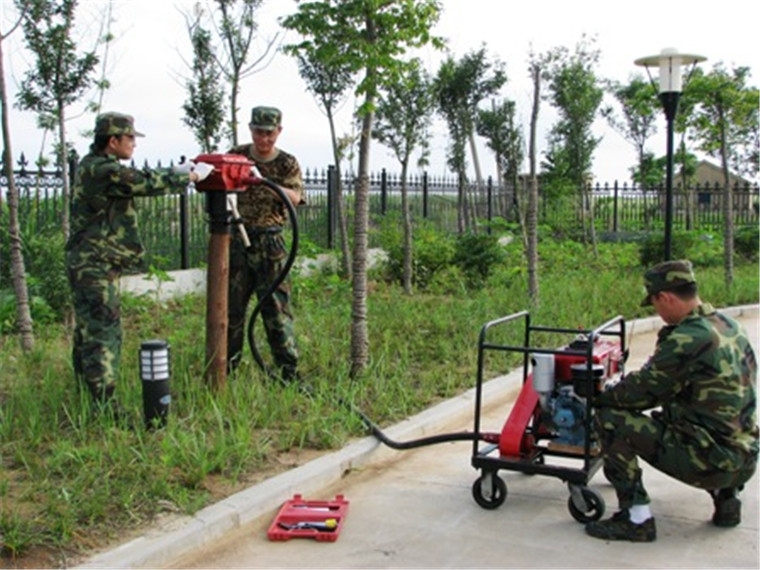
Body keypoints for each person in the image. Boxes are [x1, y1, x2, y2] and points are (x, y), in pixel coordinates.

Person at [586, 259, 758, 542]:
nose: (657, 311)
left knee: (609, 418)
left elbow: (640, 394)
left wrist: (599, 396)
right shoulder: (729, 326)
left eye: (655, 303)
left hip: (709, 463)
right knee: (706, 419)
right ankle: (728, 500)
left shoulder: (687, 338)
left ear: (665, 297)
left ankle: (636, 519)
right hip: (745, 459)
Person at [66, 112, 213, 417]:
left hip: (90, 262)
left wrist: (177, 170)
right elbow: (142, 182)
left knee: (89, 331)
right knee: (103, 333)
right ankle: (104, 409)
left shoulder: (95, 167)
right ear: (113, 140)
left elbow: (135, 181)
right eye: (130, 138)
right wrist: (191, 175)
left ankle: (87, 400)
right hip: (94, 264)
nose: (134, 144)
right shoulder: (102, 169)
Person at [226, 106, 305, 384]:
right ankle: (227, 370)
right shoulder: (238, 155)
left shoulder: (286, 163)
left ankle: (288, 372)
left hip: (270, 243)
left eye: (269, 133)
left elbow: (295, 197)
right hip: (237, 240)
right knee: (232, 309)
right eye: (259, 132)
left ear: (278, 132)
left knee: (275, 308)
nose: (264, 139)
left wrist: (264, 182)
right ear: (251, 130)